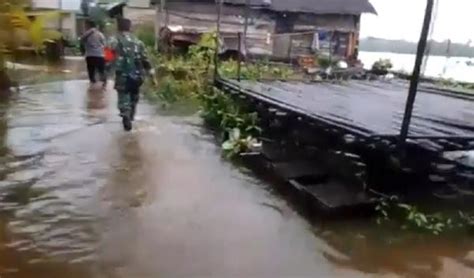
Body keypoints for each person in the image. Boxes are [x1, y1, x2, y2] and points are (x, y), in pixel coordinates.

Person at [108, 18, 153, 131]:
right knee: (134, 96)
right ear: (130, 27)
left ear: (118, 27)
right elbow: (145, 59)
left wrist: (107, 70)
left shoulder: (113, 41)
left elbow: (107, 57)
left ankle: (126, 115)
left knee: (123, 97)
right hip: (137, 75)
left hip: (122, 75)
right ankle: (131, 116)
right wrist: (150, 72)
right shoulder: (138, 42)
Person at [80, 20, 107, 86]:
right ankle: (104, 83)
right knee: (101, 70)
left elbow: (81, 40)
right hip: (100, 55)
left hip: (90, 55)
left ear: (88, 25)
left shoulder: (86, 34)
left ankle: (92, 84)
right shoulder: (100, 34)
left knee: (91, 71)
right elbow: (105, 44)